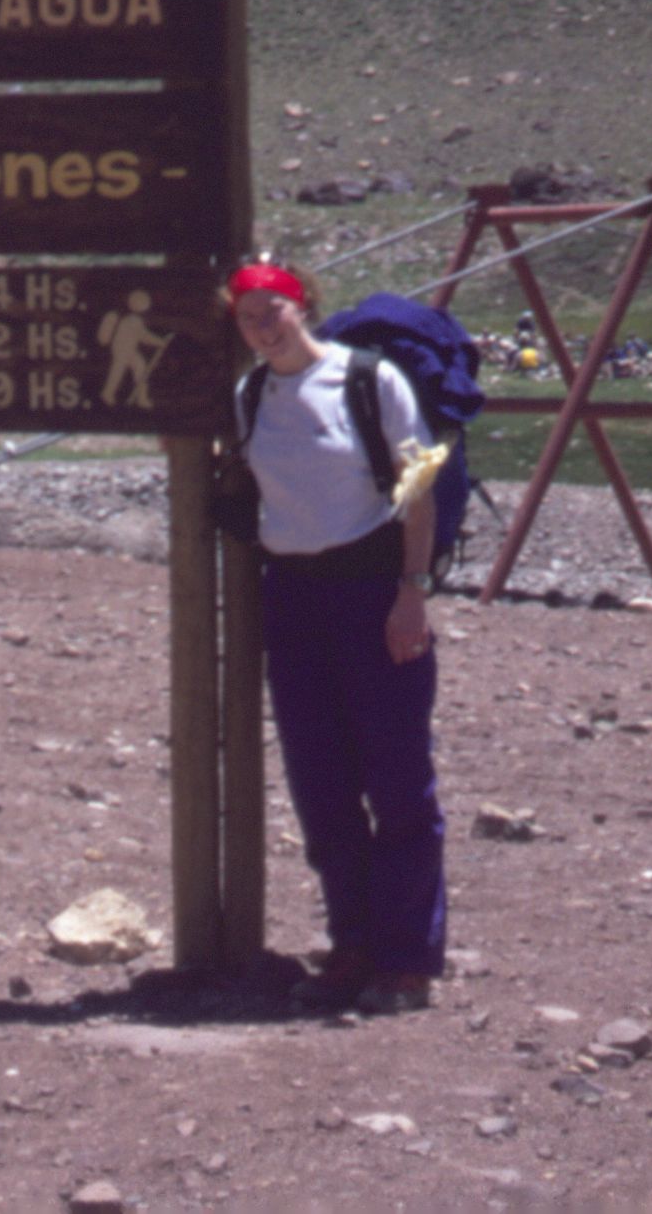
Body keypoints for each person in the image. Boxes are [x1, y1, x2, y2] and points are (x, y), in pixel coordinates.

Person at [227, 260, 447, 1013]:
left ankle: (407, 957)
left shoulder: (369, 381)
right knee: (319, 780)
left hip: (371, 589)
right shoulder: (250, 394)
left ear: (303, 306)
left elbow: (416, 488)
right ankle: (351, 943)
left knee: (395, 775)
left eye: (272, 312)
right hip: (291, 597)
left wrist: (410, 594)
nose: (261, 328)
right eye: (247, 317)